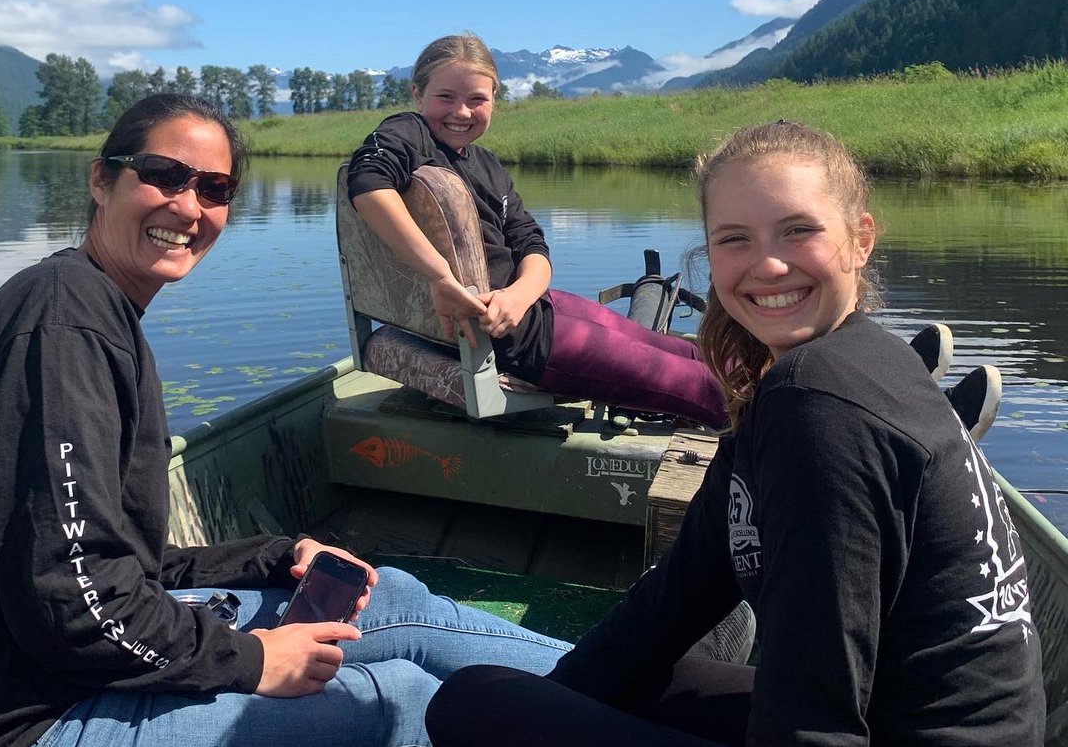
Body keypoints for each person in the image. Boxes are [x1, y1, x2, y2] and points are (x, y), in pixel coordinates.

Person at [0, 93, 570, 747]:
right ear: (100, 180)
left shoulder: (98, 309)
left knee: (389, 602)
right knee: (399, 698)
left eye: (214, 188)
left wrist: (275, 553)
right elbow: (74, 599)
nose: (188, 204)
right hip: (16, 716)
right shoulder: (64, 325)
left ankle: (617, 693)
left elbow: (124, 564)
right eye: (164, 174)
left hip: (70, 663)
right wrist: (249, 657)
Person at [426, 120, 1046, 746]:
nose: (768, 266)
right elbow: (681, 591)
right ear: (710, 253)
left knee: (470, 703)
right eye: (735, 239)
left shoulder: (821, 405)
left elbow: (816, 709)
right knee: (630, 681)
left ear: (861, 239)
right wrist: (552, 703)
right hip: (893, 712)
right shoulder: (820, 374)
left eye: (799, 230)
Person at [347, 33, 725, 428]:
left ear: (494, 98)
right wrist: (440, 277)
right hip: (517, 338)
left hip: (532, 305)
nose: (461, 111)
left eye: (477, 99)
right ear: (417, 95)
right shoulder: (410, 133)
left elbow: (532, 244)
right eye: (445, 97)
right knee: (703, 388)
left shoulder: (489, 166)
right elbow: (367, 181)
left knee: (692, 353)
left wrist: (520, 294)